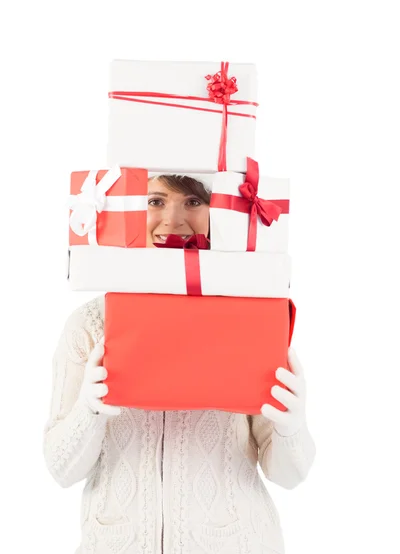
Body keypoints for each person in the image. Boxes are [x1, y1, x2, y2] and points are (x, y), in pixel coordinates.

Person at [43, 174, 316, 554]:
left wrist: (290, 429)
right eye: (155, 201)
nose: (172, 221)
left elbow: (289, 475)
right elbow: (60, 469)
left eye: (192, 201)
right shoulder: (89, 325)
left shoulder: (251, 318)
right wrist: (88, 412)